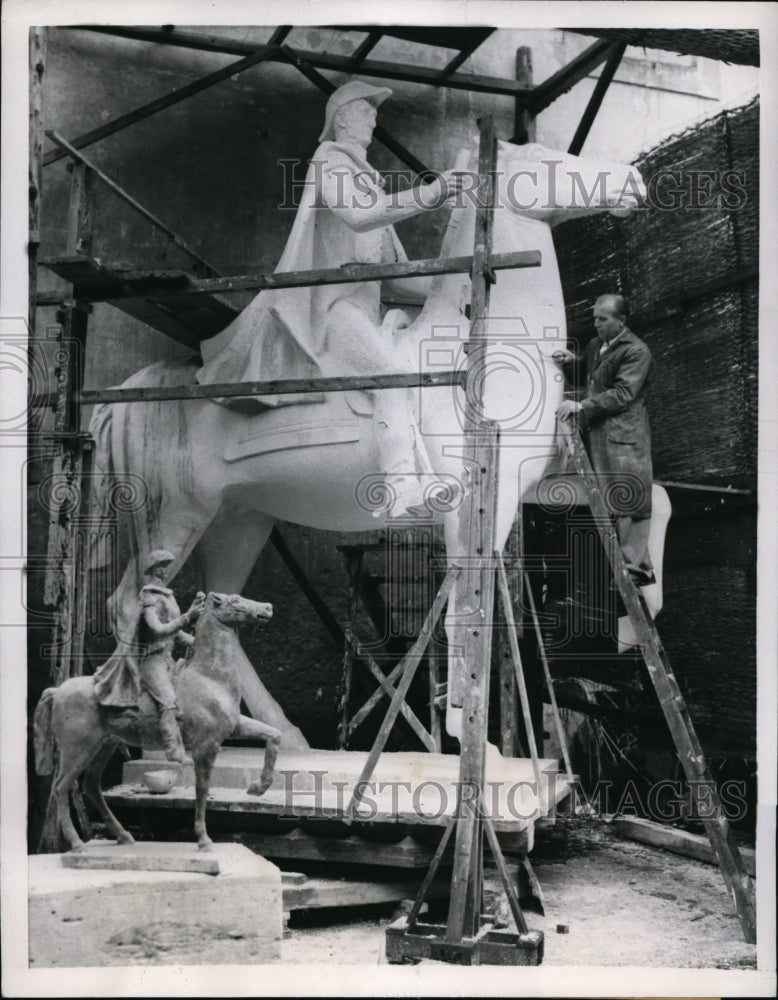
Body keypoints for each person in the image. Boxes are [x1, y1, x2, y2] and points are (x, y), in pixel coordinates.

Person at [196, 80, 465, 515]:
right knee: (393, 376)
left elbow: (394, 278)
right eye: (366, 111)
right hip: (334, 311)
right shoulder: (330, 161)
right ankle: (400, 483)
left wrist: (455, 284)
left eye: (374, 113)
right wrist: (432, 193)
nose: (374, 120)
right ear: (342, 118)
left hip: (365, 309)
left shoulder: (371, 182)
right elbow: (360, 217)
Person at [556, 293, 654, 585]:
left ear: (621, 321)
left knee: (628, 498)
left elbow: (624, 393)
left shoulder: (636, 351)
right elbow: (589, 377)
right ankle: (619, 569)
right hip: (599, 434)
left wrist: (581, 406)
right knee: (609, 499)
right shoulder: (597, 345)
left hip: (623, 435)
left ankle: (637, 571)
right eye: (595, 318)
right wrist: (571, 363)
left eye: (603, 319)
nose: (596, 324)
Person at [136, 550, 205, 763]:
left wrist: (199, 643)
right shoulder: (148, 595)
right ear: (154, 569)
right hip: (152, 660)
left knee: (190, 697)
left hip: (168, 660)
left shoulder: (168, 595)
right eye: (162, 565)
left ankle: (191, 740)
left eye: (167, 565)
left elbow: (175, 632)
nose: (166, 569)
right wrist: (188, 617)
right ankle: (173, 751)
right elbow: (157, 629)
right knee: (169, 702)